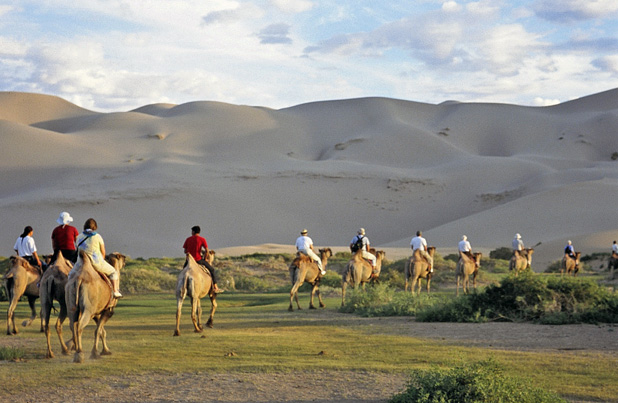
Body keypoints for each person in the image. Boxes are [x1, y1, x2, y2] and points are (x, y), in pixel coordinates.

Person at [76, 218, 122, 298]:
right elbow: (103, 252)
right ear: (95, 227)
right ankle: (115, 291)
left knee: (70, 275)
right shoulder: (98, 236)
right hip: (96, 263)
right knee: (113, 272)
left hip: (80, 263)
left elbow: (77, 248)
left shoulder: (79, 237)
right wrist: (102, 260)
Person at [183, 226, 222, 293]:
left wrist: (188, 252)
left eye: (192, 231)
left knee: (183, 271)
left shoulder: (188, 239)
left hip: (189, 261)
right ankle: (215, 286)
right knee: (212, 270)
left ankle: (182, 287)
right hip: (198, 260)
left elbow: (185, 251)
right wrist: (205, 258)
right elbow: (207, 250)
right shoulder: (202, 239)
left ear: (193, 232)